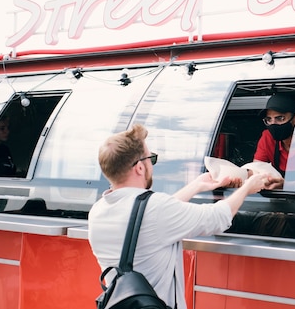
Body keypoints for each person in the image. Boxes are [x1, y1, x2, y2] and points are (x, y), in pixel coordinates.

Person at [88, 124, 267, 309]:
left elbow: (147, 218)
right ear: (140, 167)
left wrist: (197, 185)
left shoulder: (98, 210)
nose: (152, 165)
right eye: (152, 158)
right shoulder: (156, 209)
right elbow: (217, 217)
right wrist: (247, 187)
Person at [253, 93, 295, 177]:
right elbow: (255, 171)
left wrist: (283, 185)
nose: (273, 124)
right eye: (269, 119)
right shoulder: (267, 137)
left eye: (280, 118)